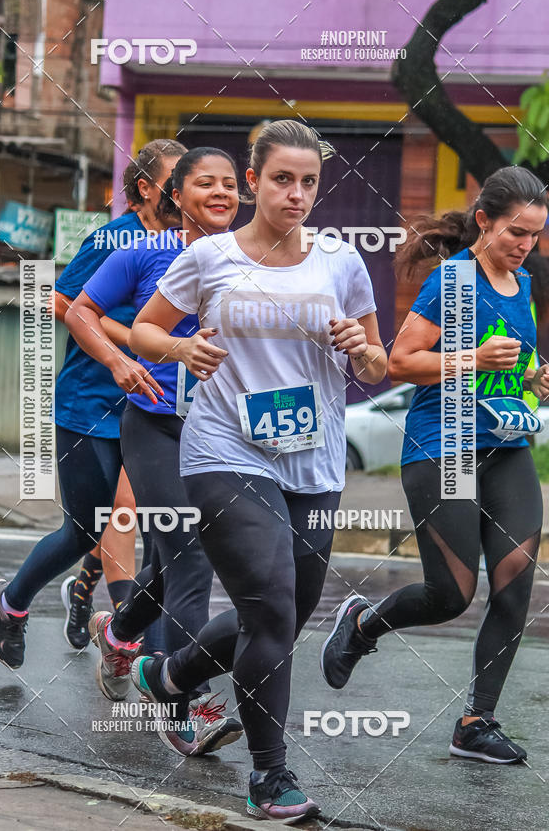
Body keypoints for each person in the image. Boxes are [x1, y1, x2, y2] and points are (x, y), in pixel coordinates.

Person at [96, 119, 386, 820]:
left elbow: (378, 362)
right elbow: (143, 328)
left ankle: (169, 674)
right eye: (282, 179)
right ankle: (270, 776)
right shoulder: (213, 256)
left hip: (312, 459)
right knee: (271, 605)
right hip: (225, 448)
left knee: (281, 617)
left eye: (309, 181)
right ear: (254, 181)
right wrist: (179, 350)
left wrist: (361, 350)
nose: (297, 194)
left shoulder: (341, 262)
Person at [321, 165, 549, 765]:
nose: (525, 245)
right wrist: (473, 357)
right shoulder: (453, 280)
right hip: (445, 446)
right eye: (516, 232)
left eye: (535, 235)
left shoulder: (520, 284)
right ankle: (364, 622)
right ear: (484, 221)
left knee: (514, 585)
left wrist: (532, 377)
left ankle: (477, 722)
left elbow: (509, 366)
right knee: (452, 594)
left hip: (505, 445)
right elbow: (400, 362)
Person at [66, 147, 244, 754]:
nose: (220, 193)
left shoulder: (256, 260)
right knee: (190, 561)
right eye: (204, 183)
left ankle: (118, 638)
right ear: (177, 195)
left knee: (173, 567)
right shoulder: (142, 252)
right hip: (156, 427)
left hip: (224, 435)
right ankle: (184, 705)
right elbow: (81, 311)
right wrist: (118, 359)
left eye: (229, 184)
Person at [0, 139, 186, 668]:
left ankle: (140, 650)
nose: (187, 191)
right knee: (85, 527)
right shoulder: (116, 238)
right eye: (176, 180)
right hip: (92, 403)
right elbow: (60, 301)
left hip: (157, 408)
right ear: (145, 188)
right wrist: (127, 340)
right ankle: (12, 604)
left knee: (153, 527)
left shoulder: (194, 243)